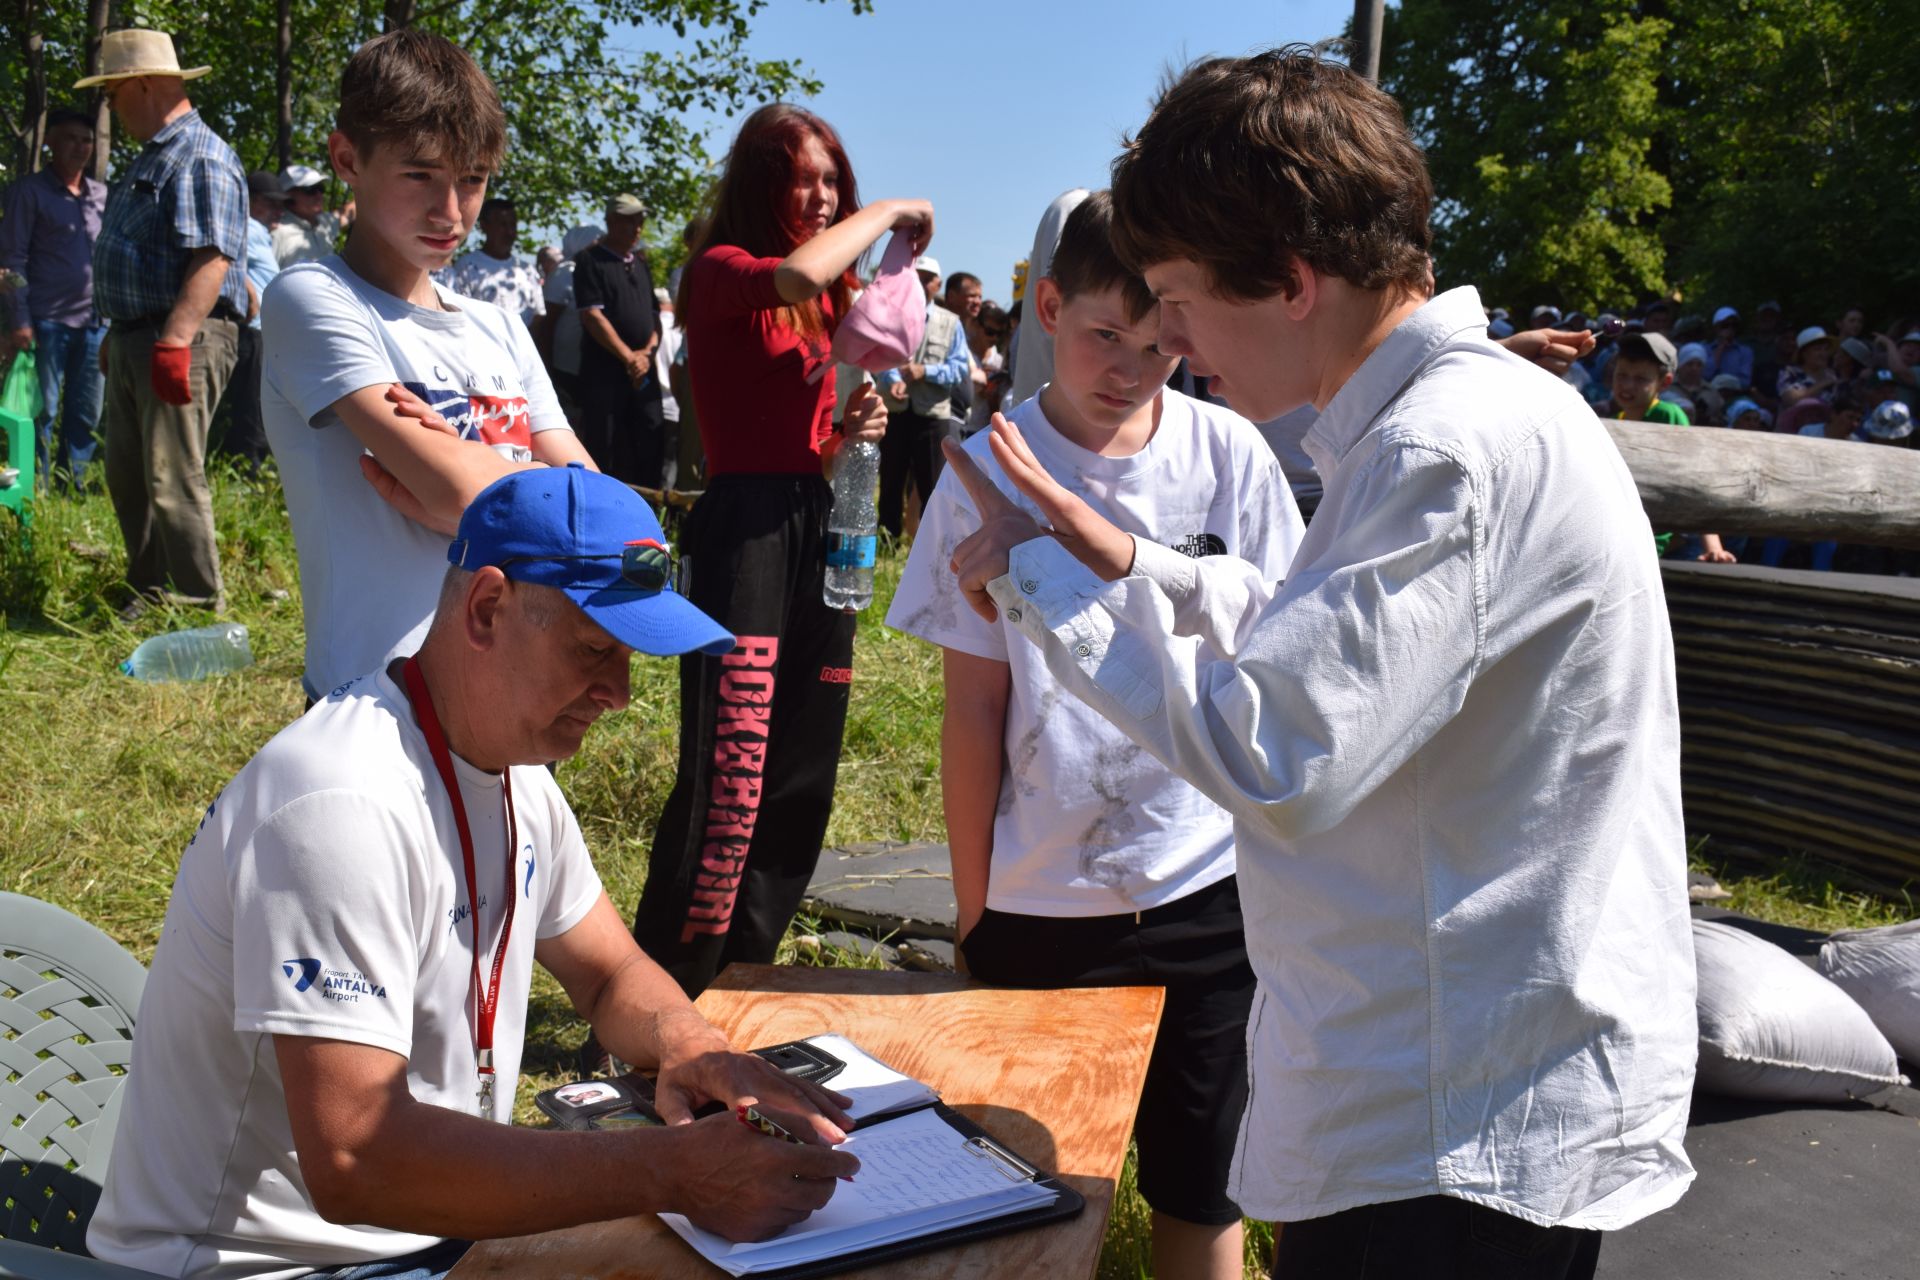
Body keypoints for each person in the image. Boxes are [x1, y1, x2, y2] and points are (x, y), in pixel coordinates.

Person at [941, 48, 1696, 1277]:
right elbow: (1344, 633)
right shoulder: (1449, 418)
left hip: (1448, 1127)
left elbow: (1279, 746)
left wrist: (1048, 590)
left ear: (1291, 281)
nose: (1169, 340)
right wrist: (1138, 562)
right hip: (1449, 1094)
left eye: (1179, 298)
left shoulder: (1441, 449)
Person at [88, 465, 861, 1279]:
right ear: (487, 608)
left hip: (418, 1236)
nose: (621, 693)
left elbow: (608, 975)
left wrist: (691, 1046)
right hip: (257, 1265)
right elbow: (357, 1159)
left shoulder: (515, 772)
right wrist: (670, 1171)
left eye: (630, 658)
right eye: (596, 649)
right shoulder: (339, 805)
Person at [889, 190, 1302, 1280]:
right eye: (1100, 335)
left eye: (1159, 344)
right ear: (1047, 305)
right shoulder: (981, 466)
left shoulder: (1231, 454)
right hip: (1041, 894)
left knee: (1201, 1182)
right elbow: (974, 705)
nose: (1127, 368)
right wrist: (975, 904)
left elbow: (1282, 636)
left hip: (1206, 881)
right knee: (1022, 1189)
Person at [627, 101, 927, 1002]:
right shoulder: (722, 270)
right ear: (763, 182)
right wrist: (890, 215)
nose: (826, 195)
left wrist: (854, 428)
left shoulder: (831, 302)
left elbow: (820, 430)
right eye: (808, 176)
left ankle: (741, 981)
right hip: (745, 530)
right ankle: (662, 992)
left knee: (801, 768)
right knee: (732, 769)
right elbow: (795, 275)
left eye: (835, 178)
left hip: (819, 520)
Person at [261, 29, 594, 704]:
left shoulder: (499, 327)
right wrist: (508, 492)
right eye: (420, 175)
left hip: (518, 697)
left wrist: (468, 485)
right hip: (374, 702)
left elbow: (595, 510)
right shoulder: (312, 299)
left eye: (472, 180)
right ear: (347, 158)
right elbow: (482, 496)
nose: (451, 213)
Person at [83, 28, 249, 612]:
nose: (110, 106)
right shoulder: (157, 155)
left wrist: (175, 340)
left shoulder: (199, 153)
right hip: (141, 335)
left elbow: (213, 255)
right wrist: (119, 332)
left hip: (183, 335)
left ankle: (200, 603)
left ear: (143, 85)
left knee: (171, 475)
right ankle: (149, 591)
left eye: (113, 93)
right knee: (129, 474)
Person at [0, 106, 107, 489]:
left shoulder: (101, 196)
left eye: (86, 141)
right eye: (70, 139)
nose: (80, 148)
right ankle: (35, 487)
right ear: (49, 142)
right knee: (40, 411)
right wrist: (20, 320)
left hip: (96, 325)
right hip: (45, 320)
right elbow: (10, 261)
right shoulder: (29, 192)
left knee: (87, 414)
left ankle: (71, 485)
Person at [572, 193, 665, 486]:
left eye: (640, 220)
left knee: (650, 442)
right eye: (629, 220)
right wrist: (629, 358)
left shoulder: (640, 263)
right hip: (607, 376)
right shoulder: (590, 260)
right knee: (606, 447)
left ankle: (651, 518)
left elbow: (654, 316)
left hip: (644, 374)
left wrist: (646, 355)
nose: (637, 227)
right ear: (611, 221)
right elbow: (592, 316)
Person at [877, 254, 968, 537]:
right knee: (890, 481)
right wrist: (892, 378)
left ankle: (929, 545)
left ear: (937, 284)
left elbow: (958, 368)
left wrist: (924, 372)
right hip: (897, 410)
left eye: (928, 279)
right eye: (917, 278)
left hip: (933, 415)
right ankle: (887, 540)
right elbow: (880, 357)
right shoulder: (891, 316)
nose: (922, 284)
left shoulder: (951, 322)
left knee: (933, 487)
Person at [217, 170, 285, 471]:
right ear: (253, 202)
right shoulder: (242, 225)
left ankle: (251, 459)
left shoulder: (258, 231)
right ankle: (247, 464)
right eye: (271, 203)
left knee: (259, 398)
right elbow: (224, 256)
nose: (278, 210)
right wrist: (247, 289)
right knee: (251, 401)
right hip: (250, 328)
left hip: (263, 330)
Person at [442, 196, 545, 335]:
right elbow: (459, 315)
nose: (509, 232)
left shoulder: (527, 270)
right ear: (484, 226)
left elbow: (539, 315)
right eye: (502, 224)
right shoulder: (467, 267)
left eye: (512, 224)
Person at [537, 222, 600, 422]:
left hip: (590, 365)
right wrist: (547, 369)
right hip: (566, 367)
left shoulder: (598, 270)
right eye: (595, 243)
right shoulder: (565, 273)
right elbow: (547, 325)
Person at [272, 163, 348, 267]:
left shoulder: (324, 223)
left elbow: (348, 212)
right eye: (310, 190)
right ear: (288, 196)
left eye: (321, 189)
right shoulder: (277, 233)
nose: (319, 196)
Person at [1778, 325, 1836, 407]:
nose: (1824, 354)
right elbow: (1790, 400)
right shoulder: (1790, 372)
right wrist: (1822, 383)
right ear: (1804, 353)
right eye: (1817, 349)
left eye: (1826, 349)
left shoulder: (1832, 374)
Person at [1704, 305, 1752, 387]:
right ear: (1716, 328)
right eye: (1725, 325)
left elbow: (1745, 381)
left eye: (1734, 325)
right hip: (1710, 393)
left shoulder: (1745, 351)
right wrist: (1720, 347)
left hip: (1736, 394)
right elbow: (1706, 375)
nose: (1730, 329)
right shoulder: (1705, 350)